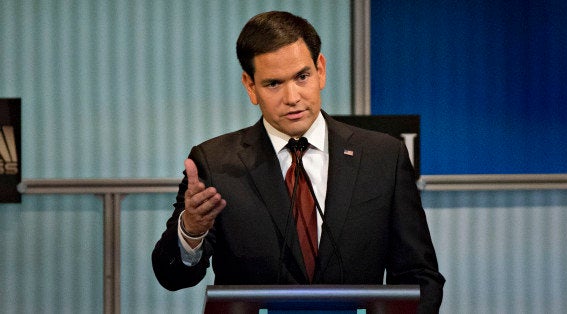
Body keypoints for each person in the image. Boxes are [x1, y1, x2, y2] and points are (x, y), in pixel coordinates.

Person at [152, 11, 445, 312]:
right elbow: (172, 276)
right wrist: (191, 231)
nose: (292, 97)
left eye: (302, 76)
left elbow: (419, 275)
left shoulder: (383, 157)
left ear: (321, 70)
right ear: (250, 86)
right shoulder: (214, 163)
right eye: (273, 84)